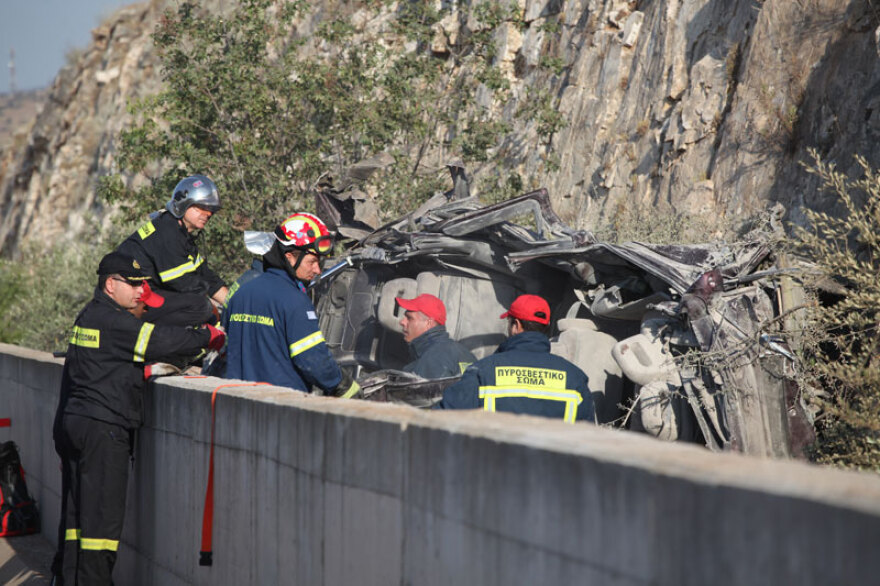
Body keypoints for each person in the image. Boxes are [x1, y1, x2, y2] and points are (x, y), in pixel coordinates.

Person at [52, 252, 225, 585]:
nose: (139, 292)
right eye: (132, 285)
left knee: (76, 523)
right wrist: (207, 336)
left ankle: (68, 579)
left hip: (76, 424)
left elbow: (79, 374)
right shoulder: (115, 321)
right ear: (110, 284)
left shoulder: (88, 316)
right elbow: (160, 341)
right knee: (101, 528)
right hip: (104, 430)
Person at [222, 212, 358, 397]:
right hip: (281, 408)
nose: (317, 270)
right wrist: (343, 385)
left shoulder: (241, 293)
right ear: (291, 257)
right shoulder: (295, 301)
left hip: (236, 404)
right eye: (312, 262)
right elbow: (313, 360)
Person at [436, 294, 594, 424]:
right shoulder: (575, 378)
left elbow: (440, 419)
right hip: (553, 463)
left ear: (516, 325)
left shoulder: (484, 372)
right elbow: (591, 439)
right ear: (545, 328)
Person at [115, 174, 228, 327]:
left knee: (207, 306)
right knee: (201, 307)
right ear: (183, 204)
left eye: (211, 210)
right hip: (134, 301)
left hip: (147, 295)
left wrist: (236, 303)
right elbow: (184, 283)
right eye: (201, 207)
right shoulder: (167, 232)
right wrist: (214, 311)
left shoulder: (181, 233)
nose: (207, 214)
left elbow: (205, 276)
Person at [396, 293, 476, 378]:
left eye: (409, 318)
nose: (402, 322)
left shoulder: (432, 359)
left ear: (428, 323)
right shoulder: (463, 353)